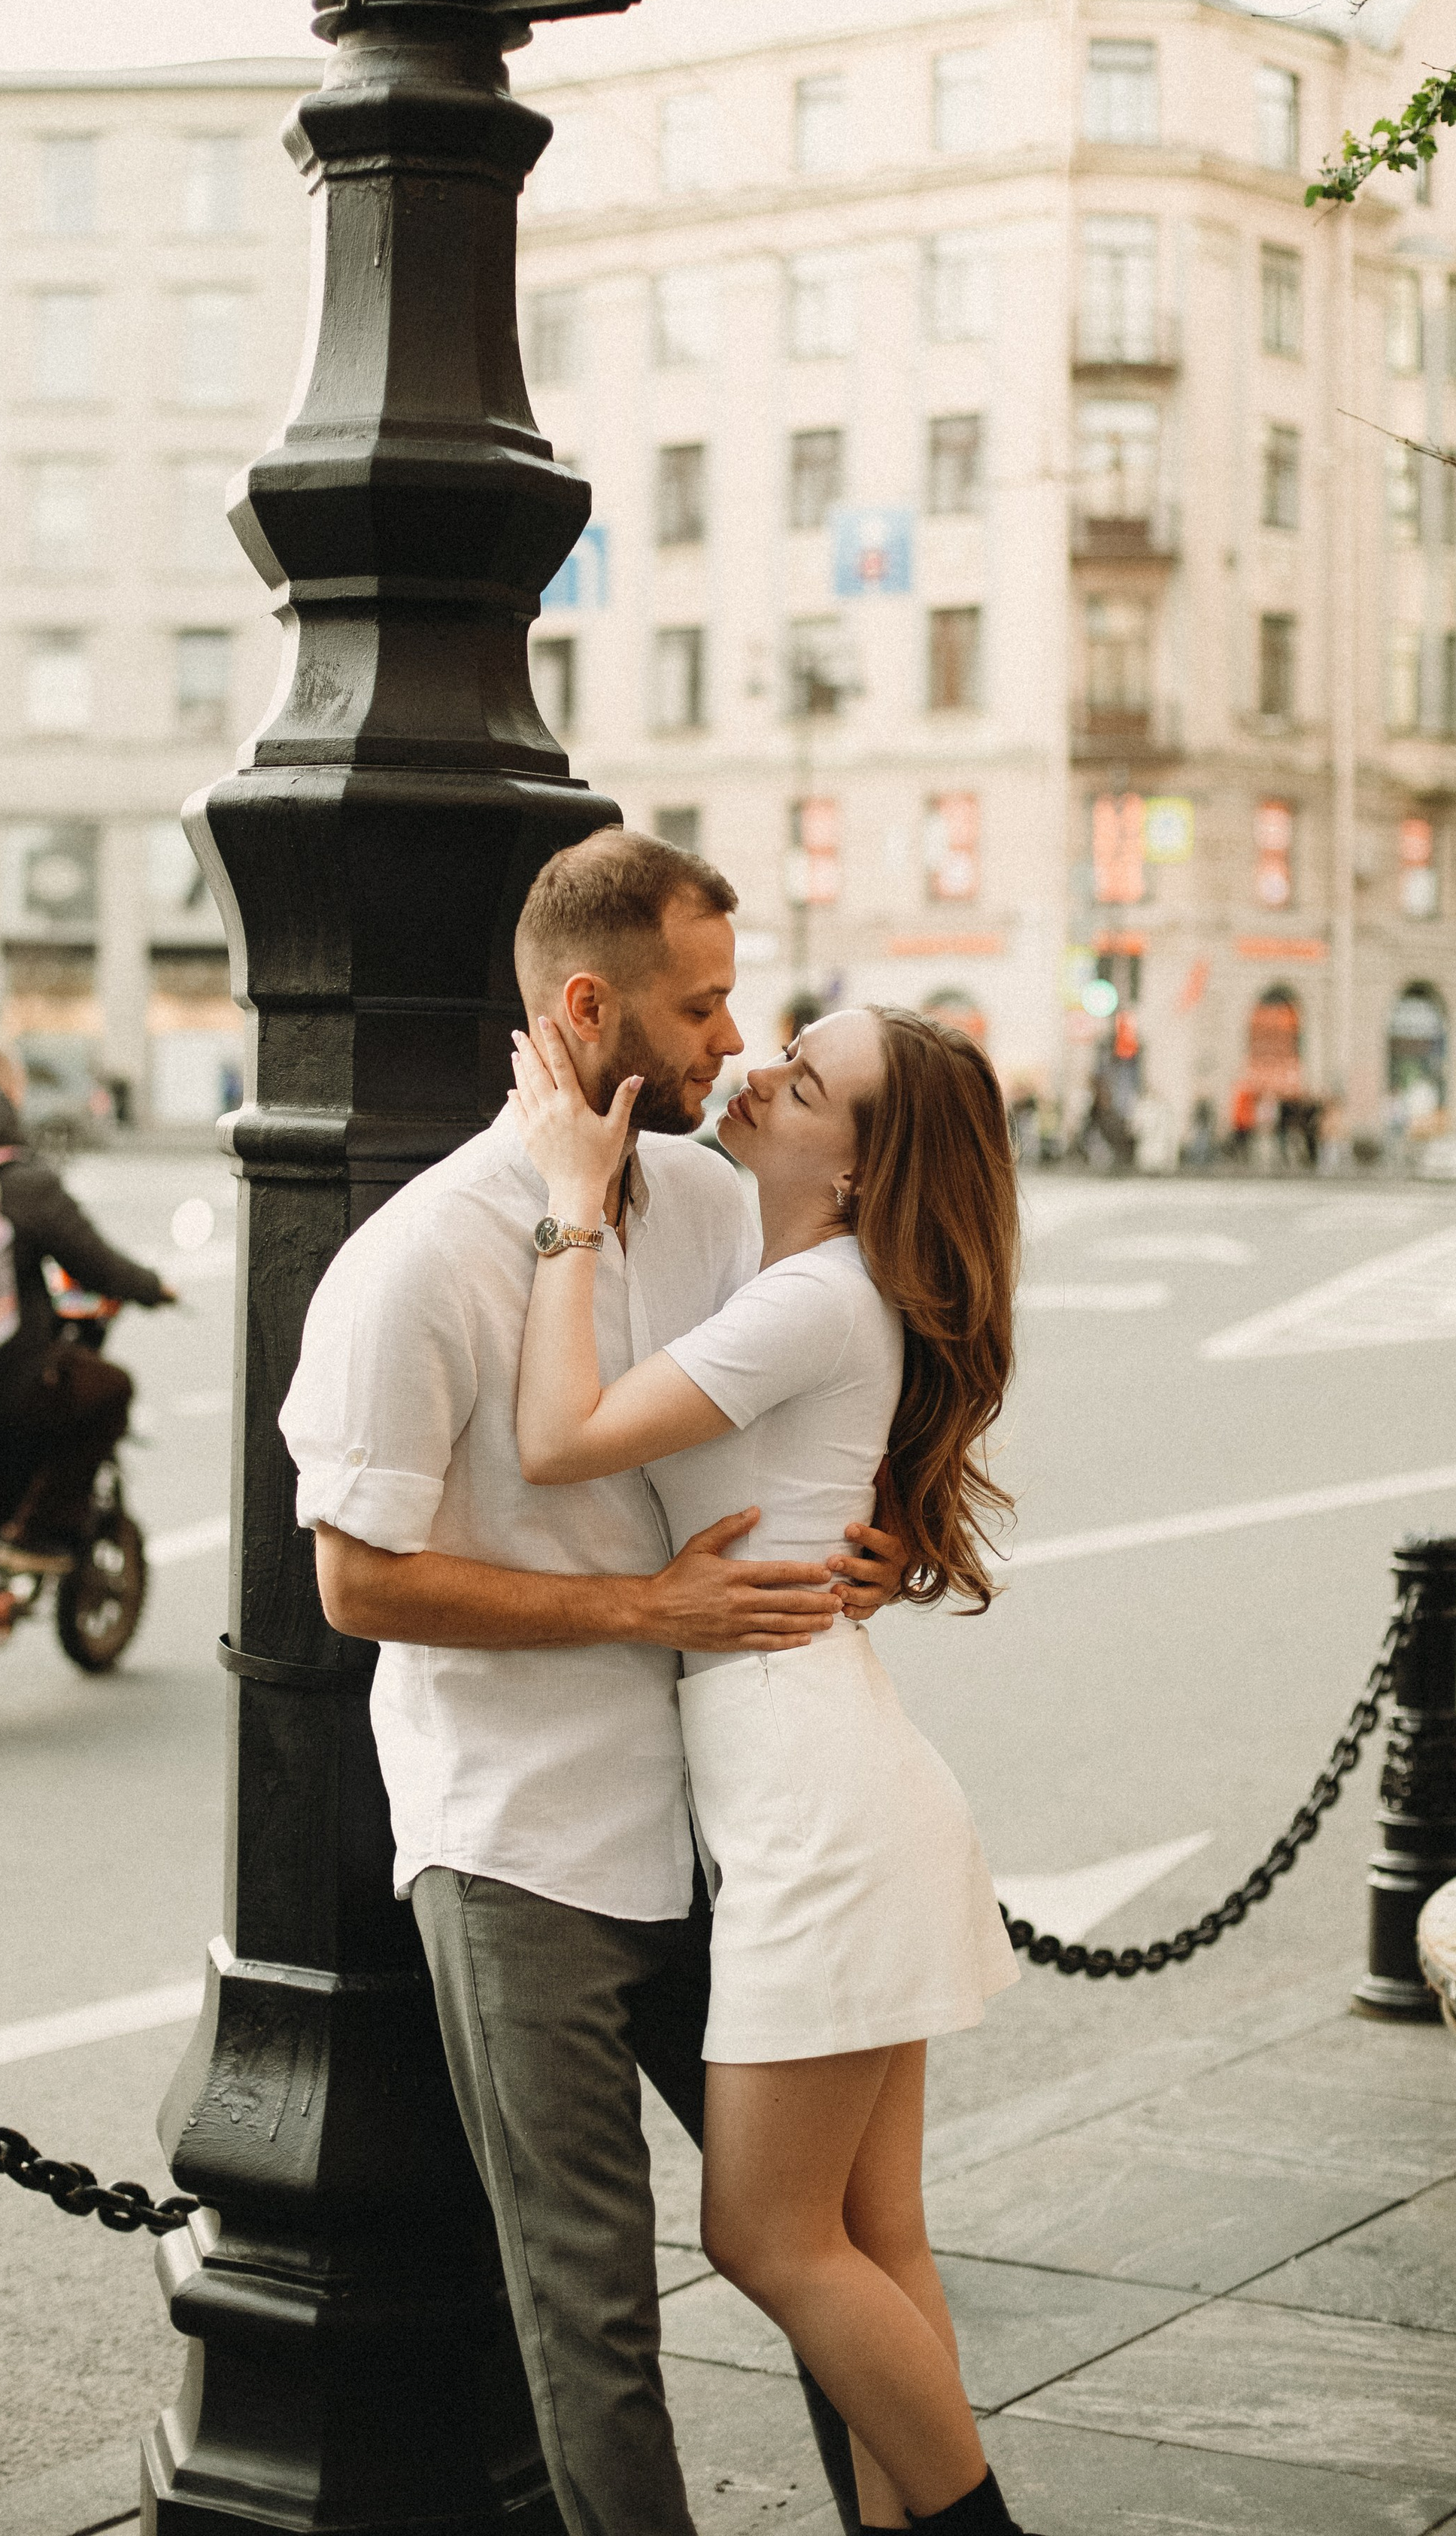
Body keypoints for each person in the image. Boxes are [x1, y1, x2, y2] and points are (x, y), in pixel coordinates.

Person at [283, 831, 911, 2536]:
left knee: (817, 2247)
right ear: (586, 1004)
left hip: (726, 1822)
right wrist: (648, 1605)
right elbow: (356, 1576)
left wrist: (884, 1543)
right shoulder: (421, 1257)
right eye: (699, 1005)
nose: (733, 1037)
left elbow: (835, 1387)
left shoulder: (720, 1202)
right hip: (523, 1848)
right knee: (593, 2307)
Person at [505, 1005, 1028, 2536]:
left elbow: (555, 1437)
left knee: (766, 2236)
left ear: (859, 1170)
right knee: (873, 2233)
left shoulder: (814, 1297)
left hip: (819, 1811)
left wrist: (567, 1208)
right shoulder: (818, 1277)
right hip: (839, 1772)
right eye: (780, 1044)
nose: (748, 1074)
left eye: (798, 1084)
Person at [0, 1068, 174, 1590]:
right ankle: (38, 1536)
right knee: (111, 1389)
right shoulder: (21, 1185)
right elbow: (97, 1264)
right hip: (5, 1382)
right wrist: (154, 1288)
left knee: (10, 1405)